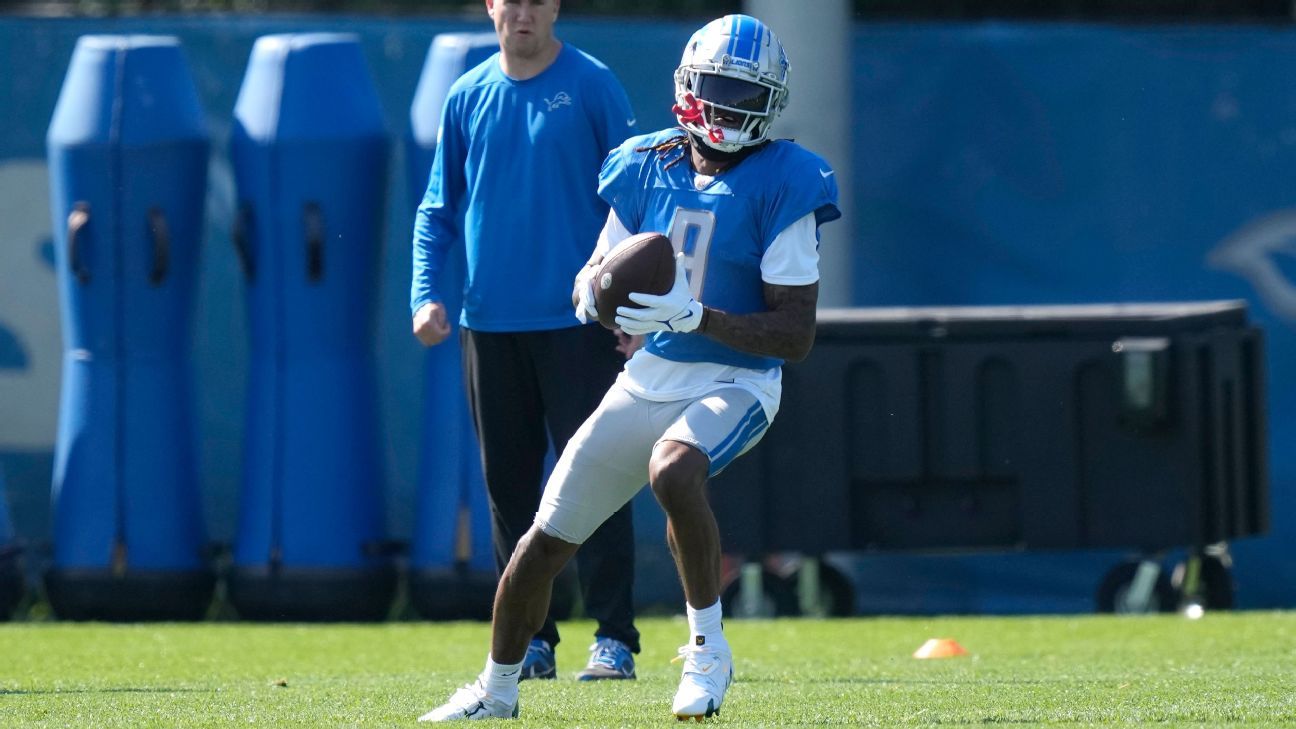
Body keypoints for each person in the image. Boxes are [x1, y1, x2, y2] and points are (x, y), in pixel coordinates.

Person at [419, 13, 841, 723]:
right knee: (542, 539)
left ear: (771, 100)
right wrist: (594, 296)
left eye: (745, 93)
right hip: (647, 379)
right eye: (717, 88)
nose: (729, 107)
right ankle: (495, 689)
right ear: (686, 87)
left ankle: (707, 652)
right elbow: (596, 271)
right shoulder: (647, 160)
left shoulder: (789, 179)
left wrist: (693, 317)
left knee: (674, 468)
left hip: (735, 380)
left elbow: (794, 335)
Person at [411, 0, 641, 682]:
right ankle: (532, 636)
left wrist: (627, 306)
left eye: (538, 0)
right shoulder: (467, 95)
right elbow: (436, 209)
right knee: (510, 491)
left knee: (597, 477)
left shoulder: (593, 84)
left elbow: (637, 199)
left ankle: (615, 637)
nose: (523, 12)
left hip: (580, 327)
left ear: (555, 7)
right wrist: (426, 293)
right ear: (491, 6)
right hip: (490, 326)